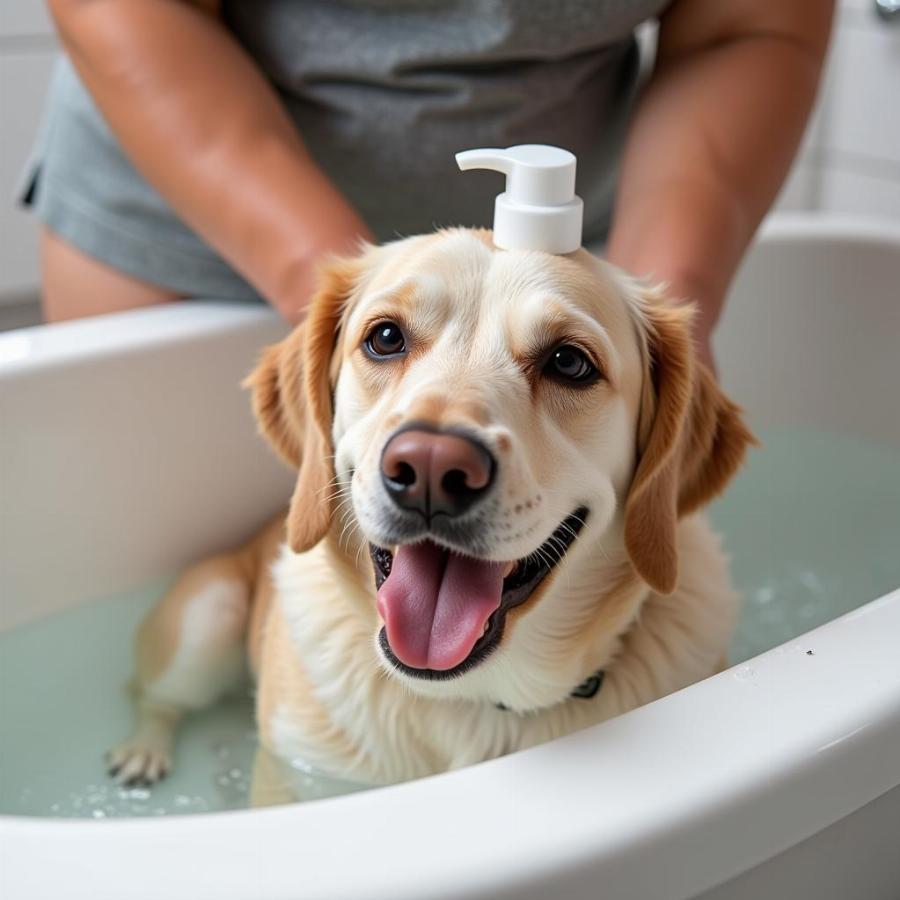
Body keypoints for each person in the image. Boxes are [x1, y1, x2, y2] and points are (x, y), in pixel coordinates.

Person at [28, 0, 833, 368]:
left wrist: (659, 311)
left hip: (563, 256)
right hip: (191, 233)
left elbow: (748, 26)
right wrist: (336, 300)